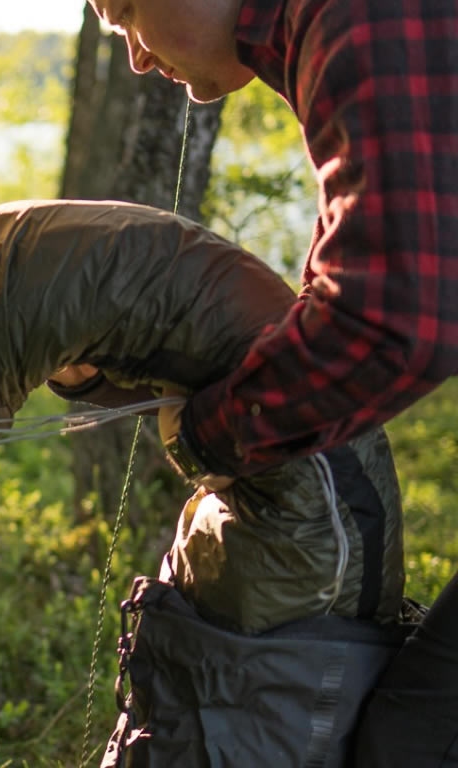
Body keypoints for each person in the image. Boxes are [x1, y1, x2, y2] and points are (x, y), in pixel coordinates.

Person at [69, 0, 458, 765]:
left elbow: (391, 323)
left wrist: (210, 435)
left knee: (413, 740)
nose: (137, 59)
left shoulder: (359, 18)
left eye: (125, 15)